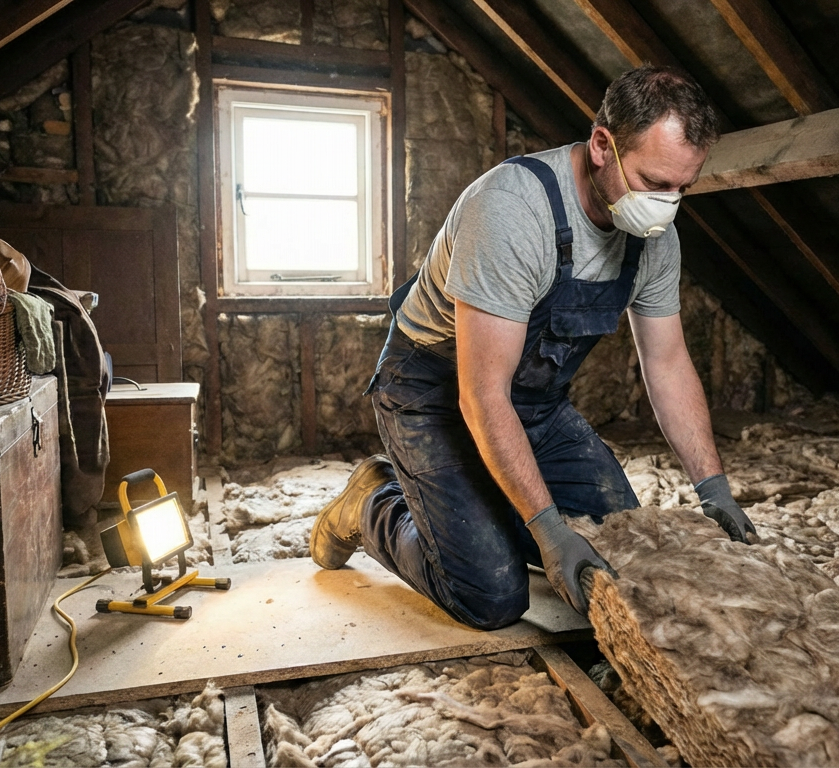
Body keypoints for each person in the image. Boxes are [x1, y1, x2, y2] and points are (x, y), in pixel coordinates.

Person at [310, 65, 756, 630]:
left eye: (682, 189)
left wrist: (714, 489)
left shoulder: (652, 239)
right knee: (492, 593)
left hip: (532, 405)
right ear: (602, 146)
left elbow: (667, 365)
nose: (667, 206)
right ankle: (374, 500)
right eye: (654, 183)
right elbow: (480, 394)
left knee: (624, 554)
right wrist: (547, 530)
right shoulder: (513, 211)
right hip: (436, 395)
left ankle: (483, 510)